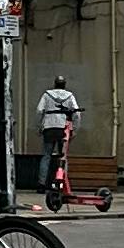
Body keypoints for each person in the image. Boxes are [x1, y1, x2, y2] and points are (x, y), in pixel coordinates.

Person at [33, 74, 81, 205]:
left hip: (49, 127)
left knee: (46, 156)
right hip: (63, 127)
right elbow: (77, 113)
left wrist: (39, 126)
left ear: (54, 84)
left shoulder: (47, 95)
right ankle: (62, 184)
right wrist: (74, 129)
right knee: (63, 156)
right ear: (64, 85)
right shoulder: (70, 96)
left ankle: (41, 184)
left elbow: (39, 110)